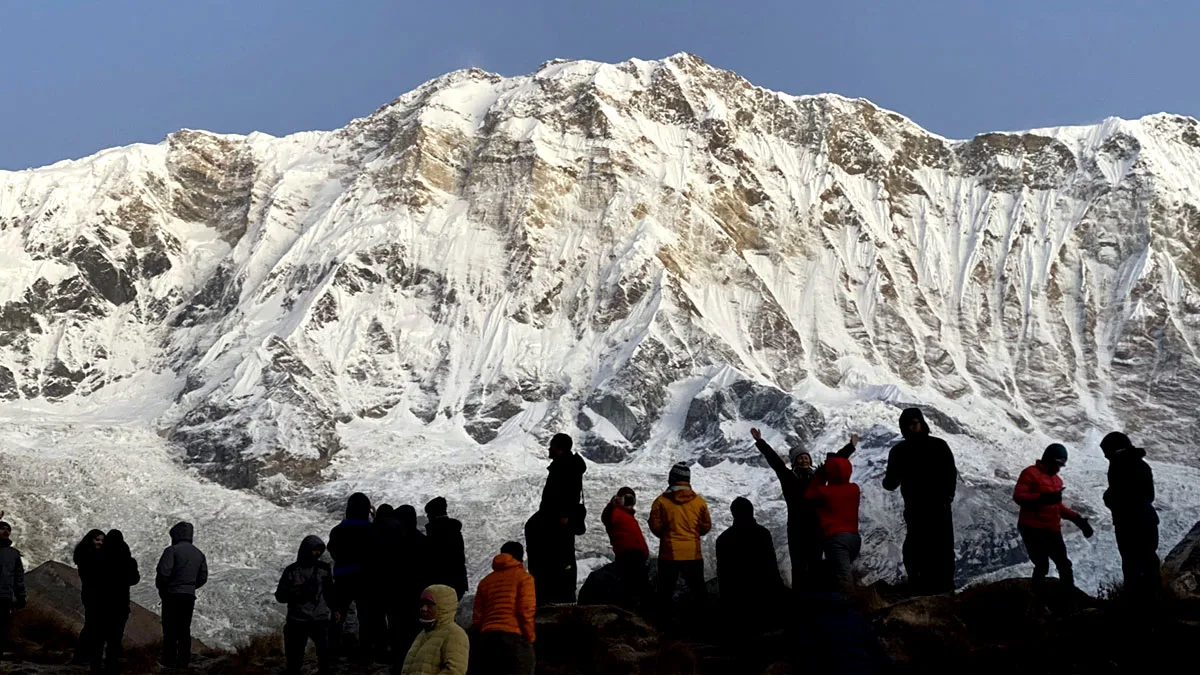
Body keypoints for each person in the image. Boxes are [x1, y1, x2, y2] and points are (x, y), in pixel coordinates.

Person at [750, 428, 848, 582]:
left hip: (816, 526)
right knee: (799, 564)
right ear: (794, 461)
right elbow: (775, 461)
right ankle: (801, 598)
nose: (804, 460)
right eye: (800, 458)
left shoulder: (818, 476)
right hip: (797, 527)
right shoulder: (788, 477)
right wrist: (760, 442)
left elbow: (834, 463)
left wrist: (850, 447)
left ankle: (817, 596)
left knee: (816, 561)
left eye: (806, 457)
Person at [882, 408, 958, 594]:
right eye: (908, 425)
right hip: (919, 506)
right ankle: (928, 586)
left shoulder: (906, 450)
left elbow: (950, 472)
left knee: (936, 546)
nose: (911, 428)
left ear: (921, 424)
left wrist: (947, 496)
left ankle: (937, 586)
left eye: (914, 423)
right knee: (924, 546)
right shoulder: (906, 450)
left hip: (935, 504)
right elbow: (891, 480)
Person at [1012, 444, 1094, 588]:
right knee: (1042, 564)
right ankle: (1037, 599)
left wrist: (1078, 520)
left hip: (1051, 529)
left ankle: (1067, 599)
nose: (1059, 468)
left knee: (1063, 564)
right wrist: (1043, 498)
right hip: (1032, 528)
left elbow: (1057, 506)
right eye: (1058, 463)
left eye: (1062, 465)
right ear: (1049, 459)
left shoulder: (1057, 481)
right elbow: (1019, 496)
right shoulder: (1029, 473)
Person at [527, 433, 586, 605]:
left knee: (557, 557)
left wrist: (563, 515)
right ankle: (559, 592)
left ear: (558, 449)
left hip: (556, 522)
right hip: (555, 519)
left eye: (551, 446)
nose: (548, 449)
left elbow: (564, 493)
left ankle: (552, 594)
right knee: (561, 556)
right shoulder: (568, 465)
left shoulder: (564, 466)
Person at [1100, 432, 1161, 597]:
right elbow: (1150, 495)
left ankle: (1135, 608)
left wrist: (1108, 498)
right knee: (1149, 561)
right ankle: (1156, 603)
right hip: (1148, 520)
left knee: (1132, 565)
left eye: (1106, 452)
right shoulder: (1142, 465)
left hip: (1128, 523)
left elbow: (1118, 495)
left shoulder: (1118, 466)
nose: (1105, 456)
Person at [649, 462, 712, 614]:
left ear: (672, 479)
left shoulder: (661, 502)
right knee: (698, 591)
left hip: (669, 554)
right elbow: (706, 526)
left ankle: (664, 628)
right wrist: (693, 535)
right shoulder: (699, 502)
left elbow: (655, 526)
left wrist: (666, 535)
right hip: (693, 554)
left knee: (665, 592)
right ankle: (704, 626)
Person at [715, 497, 782, 630]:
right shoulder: (763, 534)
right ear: (751, 511)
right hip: (764, 601)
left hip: (737, 604)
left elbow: (723, 575)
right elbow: (772, 567)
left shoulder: (724, 538)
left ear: (733, 513)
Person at [470, 541, 536, 675]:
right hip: (514, 638)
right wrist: (530, 637)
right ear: (520, 557)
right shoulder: (524, 578)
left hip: (487, 640)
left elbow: (477, 617)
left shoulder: (485, 581)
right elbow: (525, 610)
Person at [805, 438, 862, 592]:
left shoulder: (824, 492)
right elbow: (839, 468)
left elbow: (808, 495)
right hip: (854, 538)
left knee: (844, 579)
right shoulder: (854, 489)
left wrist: (820, 476)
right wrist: (849, 449)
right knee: (840, 572)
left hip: (836, 539)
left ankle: (850, 610)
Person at [275, 535, 337, 675]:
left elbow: (330, 592)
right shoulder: (291, 571)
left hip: (319, 619)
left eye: (319, 551)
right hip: (298, 621)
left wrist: (335, 609)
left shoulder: (324, 569)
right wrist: (299, 592)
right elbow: (280, 596)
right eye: (314, 550)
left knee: (325, 659)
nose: (317, 553)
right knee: (294, 661)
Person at [328, 492, 375, 660]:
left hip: (343, 576)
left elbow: (332, 550)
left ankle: (333, 649)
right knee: (365, 615)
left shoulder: (338, 530)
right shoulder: (371, 529)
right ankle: (365, 650)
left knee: (338, 614)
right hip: (364, 577)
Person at [155, 521, 208, 669]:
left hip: (172, 594)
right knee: (184, 629)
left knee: (170, 628)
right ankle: (184, 661)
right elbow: (203, 577)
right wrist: (190, 587)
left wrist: (164, 589)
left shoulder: (171, 551)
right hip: (189, 595)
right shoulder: (199, 553)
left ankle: (168, 660)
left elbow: (163, 573)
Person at [92, 530, 139, 674]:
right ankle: (111, 666)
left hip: (101, 603)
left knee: (98, 637)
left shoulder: (99, 557)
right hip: (120, 604)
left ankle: (95, 666)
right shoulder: (128, 560)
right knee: (115, 637)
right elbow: (134, 579)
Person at [399, 584, 469, 675]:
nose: (423, 609)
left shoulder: (454, 633)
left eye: (429, 605)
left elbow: (454, 671)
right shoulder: (423, 634)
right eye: (422, 604)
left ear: (443, 607)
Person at [601, 487, 650, 610]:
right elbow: (606, 517)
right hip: (628, 556)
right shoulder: (614, 513)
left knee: (638, 590)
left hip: (636, 556)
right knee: (632, 589)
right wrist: (612, 504)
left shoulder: (628, 516)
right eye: (626, 499)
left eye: (631, 500)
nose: (630, 503)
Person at [72, 529, 105, 669]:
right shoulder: (87, 556)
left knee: (93, 625)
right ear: (90, 540)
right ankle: (83, 657)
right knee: (93, 625)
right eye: (97, 539)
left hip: (95, 592)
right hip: (93, 592)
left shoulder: (87, 555)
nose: (100, 543)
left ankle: (85, 656)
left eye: (102, 541)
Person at [424, 497, 468, 601]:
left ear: (432, 514)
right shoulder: (455, 530)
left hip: (439, 583)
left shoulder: (435, 533)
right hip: (458, 583)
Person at [0, 518, 26, 660]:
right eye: (2, 528)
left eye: (8, 529)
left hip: (5, 596)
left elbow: (18, 577)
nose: (6, 531)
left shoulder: (14, 553)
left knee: (3, 627)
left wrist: (21, 596)